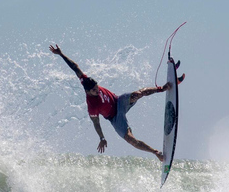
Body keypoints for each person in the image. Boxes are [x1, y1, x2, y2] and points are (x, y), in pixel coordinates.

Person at [49, 44, 182, 161]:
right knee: (131, 140)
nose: (97, 90)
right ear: (88, 92)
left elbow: (74, 67)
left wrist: (61, 54)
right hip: (115, 118)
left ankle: (163, 88)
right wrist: (102, 138)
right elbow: (96, 123)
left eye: (97, 87)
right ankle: (156, 153)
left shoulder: (85, 80)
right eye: (95, 91)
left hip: (119, 101)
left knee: (137, 94)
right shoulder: (92, 106)